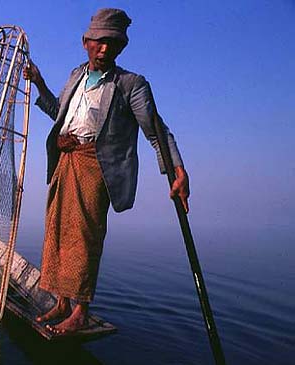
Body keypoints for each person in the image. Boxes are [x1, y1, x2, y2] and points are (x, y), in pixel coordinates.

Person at [23, 8, 190, 336]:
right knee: (57, 231)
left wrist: (177, 171)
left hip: (94, 166)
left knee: (84, 236)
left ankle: (81, 310)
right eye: (99, 42)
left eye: (113, 43)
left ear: (121, 47)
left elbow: (156, 131)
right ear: (85, 42)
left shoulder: (131, 85)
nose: (105, 49)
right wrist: (39, 82)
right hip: (65, 161)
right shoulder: (76, 76)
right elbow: (60, 112)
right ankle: (62, 302)